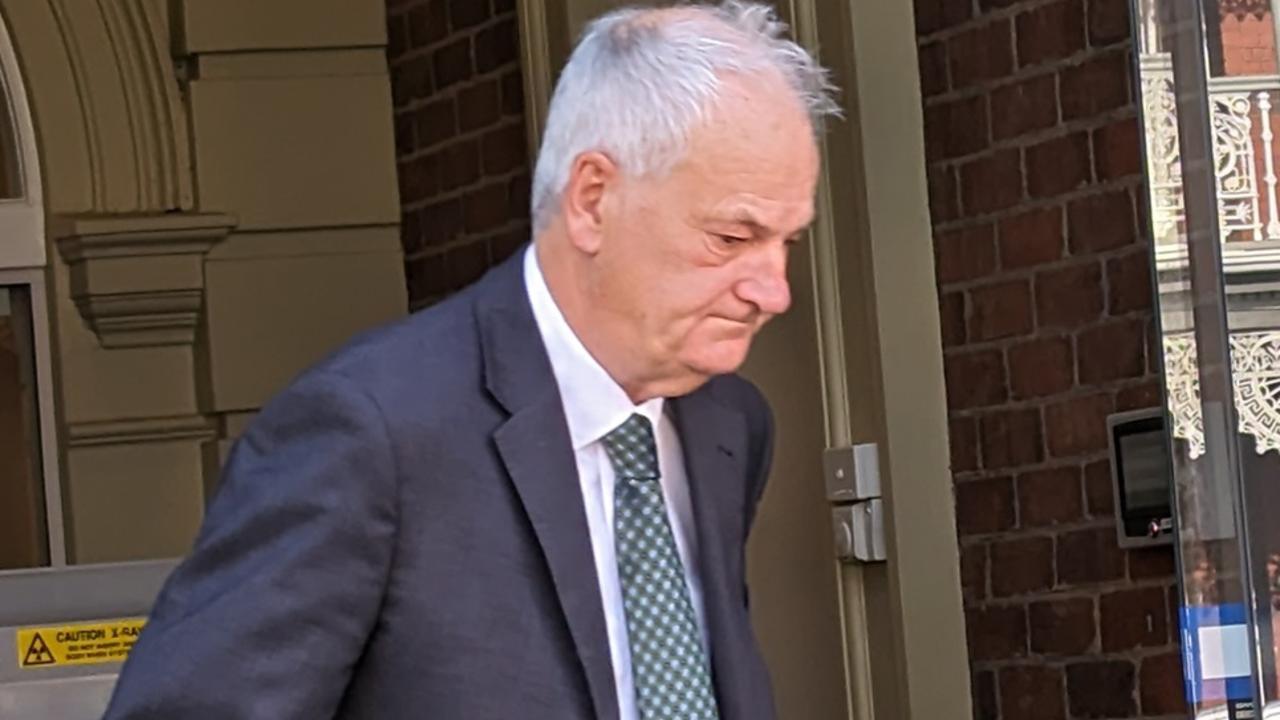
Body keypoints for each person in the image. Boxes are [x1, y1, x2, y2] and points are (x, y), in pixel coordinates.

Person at [102, 2, 837, 718]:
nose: (772, 292)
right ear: (592, 199)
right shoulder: (373, 432)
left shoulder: (728, 423)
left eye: (787, 242)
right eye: (732, 238)